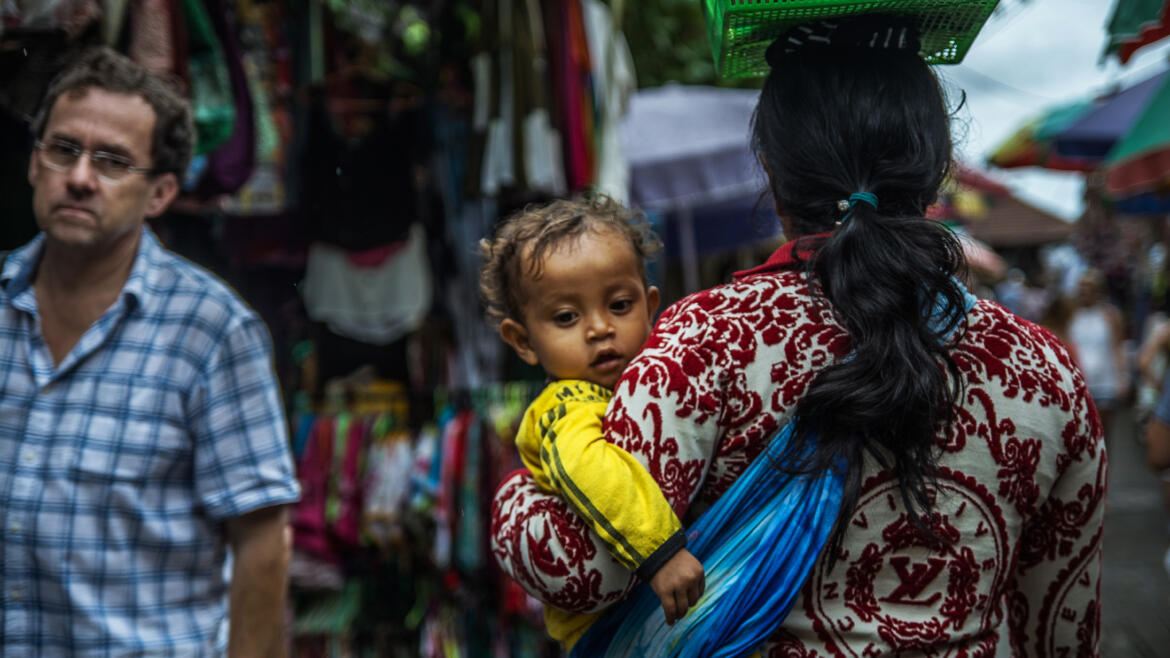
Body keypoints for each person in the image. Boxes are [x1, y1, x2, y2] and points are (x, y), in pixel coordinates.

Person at [491, 15, 1105, 656]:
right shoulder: (1044, 370)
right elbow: (1064, 626)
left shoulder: (701, 343)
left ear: (771, 173)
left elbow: (579, 571)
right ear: (937, 168)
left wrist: (521, 477)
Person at [0, 47, 299, 655]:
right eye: (63, 150)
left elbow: (262, 542)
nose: (80, 177)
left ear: (160, 193)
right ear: (34, 164)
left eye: (112, 162)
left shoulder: (212, 331)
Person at [478, 196, 706, 646]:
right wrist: (660, 555)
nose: (600, 328)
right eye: (566, 317)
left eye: (620, 305)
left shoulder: (639, 387)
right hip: (611, 633)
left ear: (650, 305)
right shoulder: (567, 404)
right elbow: (590, 467)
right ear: (522, 340)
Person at [1067, 267, 1128, 435]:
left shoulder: (1110, 315)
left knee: (1102, 432)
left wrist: (1123, 377)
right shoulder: (1071, 314)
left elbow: (1118, 346)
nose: (1085, 294)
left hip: (1105, 381)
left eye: (1089, 290)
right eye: (1082, 290)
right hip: (1078, 382)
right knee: (1081, 433)